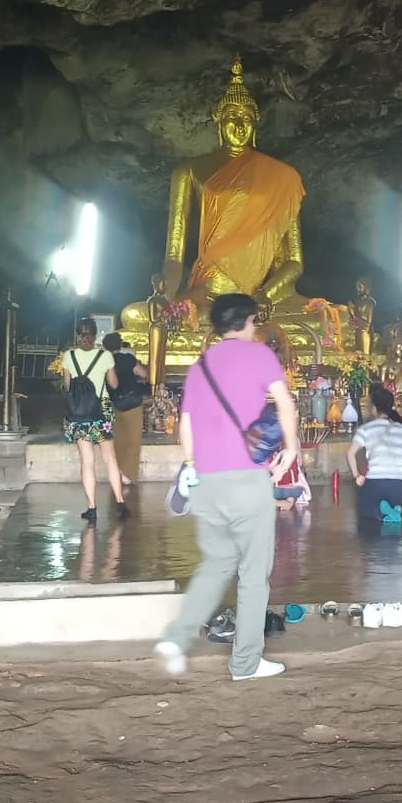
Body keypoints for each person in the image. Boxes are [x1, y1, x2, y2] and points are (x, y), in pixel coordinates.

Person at [153, 292, 301, 681]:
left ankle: (176, 638)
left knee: (217, 564)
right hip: (246, 479)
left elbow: (185, 426)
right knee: (253, 575)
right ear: (249, 321)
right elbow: (286, 404)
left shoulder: (199, 365)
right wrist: (291, 449)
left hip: (206, 480)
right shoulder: (260, 354)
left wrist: (191, 466)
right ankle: (245, 663)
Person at [60, 319, 130, 524]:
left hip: (79, 412)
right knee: (110, 459)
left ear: (77, 335)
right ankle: (120, 503)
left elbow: (67, 386)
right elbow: (114, 384)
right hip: (102, 410)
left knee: (87, 461)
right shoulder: (105, 355)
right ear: (95, 334)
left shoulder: (69, 356)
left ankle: (91, 508)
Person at [346, 385, 402, 524]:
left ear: (374, 408)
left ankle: (383, 511)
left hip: (376, 480)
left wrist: (357, 476)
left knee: (365, 509)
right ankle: (394, 509)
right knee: (392, 502)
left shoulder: (365, 429)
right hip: (399, 483)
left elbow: (351, 453)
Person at [103, 330, 150, 488]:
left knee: (119, 439)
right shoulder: (128, 359)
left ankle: (118, 469)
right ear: (120, 345)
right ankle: (128, 474)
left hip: (115, 404)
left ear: (105, 346)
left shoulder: (105, 361)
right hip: (133, 403)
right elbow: (144, 374)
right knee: (134, 440)